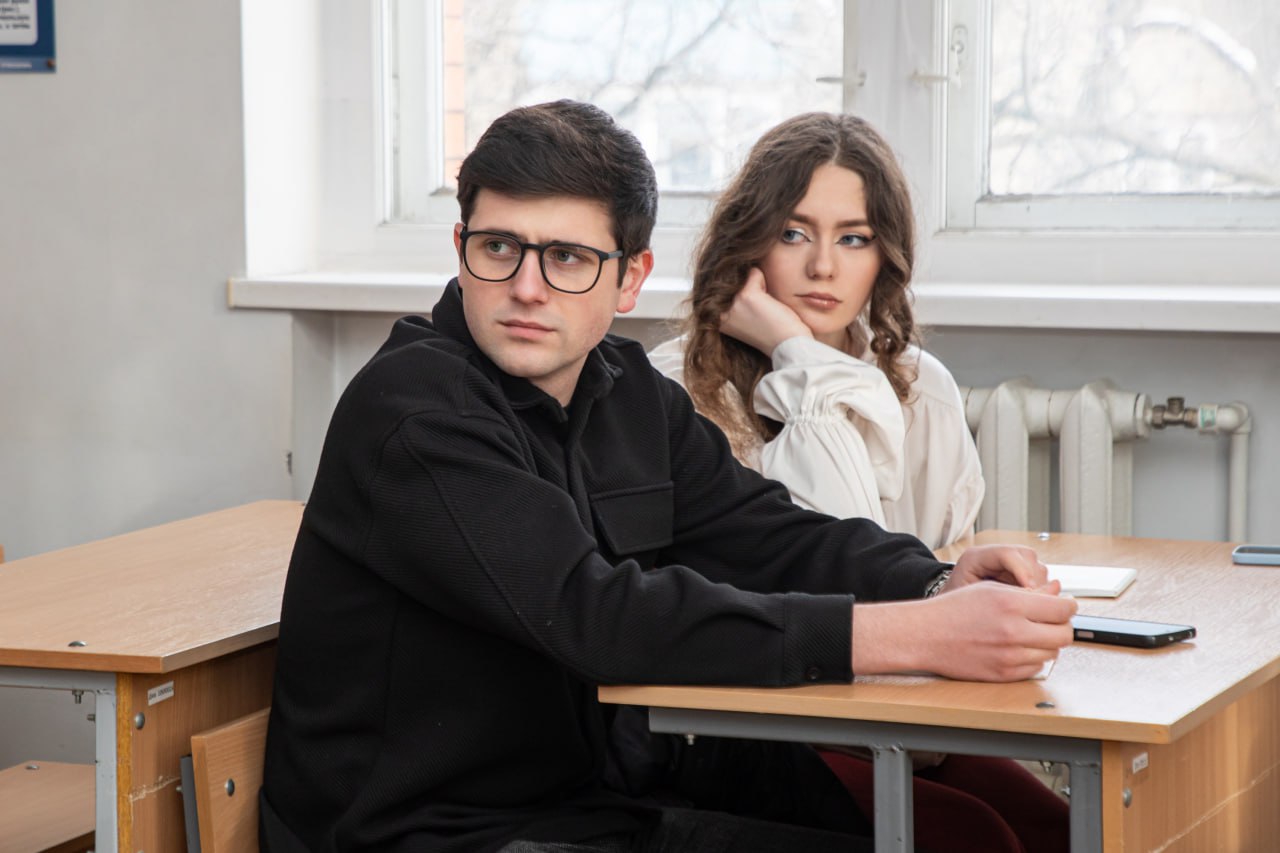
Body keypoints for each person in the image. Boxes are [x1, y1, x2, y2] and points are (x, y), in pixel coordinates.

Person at [259, 100, 1077, 853]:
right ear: (461, 249)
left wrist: (930, 581)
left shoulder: (625, 390)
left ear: (631, 278)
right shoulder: (414, 413)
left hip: (597, 791)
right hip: (436, 831)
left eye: (568, 257)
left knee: (978, 835)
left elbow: (763, 532)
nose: (527, 288)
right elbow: (600, 617)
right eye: (499, 247)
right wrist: (917, 636)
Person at [648, 112, 1068, 852]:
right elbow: (838, 577)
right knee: (978, 838)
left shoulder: (923, 387)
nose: (823, 267)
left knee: (1060, 828)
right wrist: (797, 354)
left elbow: (930, 578)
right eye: (793, 233)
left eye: (854, 238)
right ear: (749, 243)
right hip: (763, 721)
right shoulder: (674, 388)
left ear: (885, 257)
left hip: (914, 705)